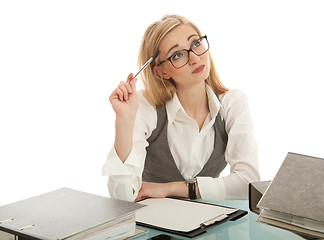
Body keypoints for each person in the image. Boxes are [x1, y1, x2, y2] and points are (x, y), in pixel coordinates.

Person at [102, 14, 260, 202]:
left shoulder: (233, 102)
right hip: (155, 223)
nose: (194, 58)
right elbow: (123, 197)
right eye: (177, 55)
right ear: (161, 71)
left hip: (210, 221)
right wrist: (124, 121)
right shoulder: (145, 106)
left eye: (195, 44)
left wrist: (172, 188)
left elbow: (249, 184)